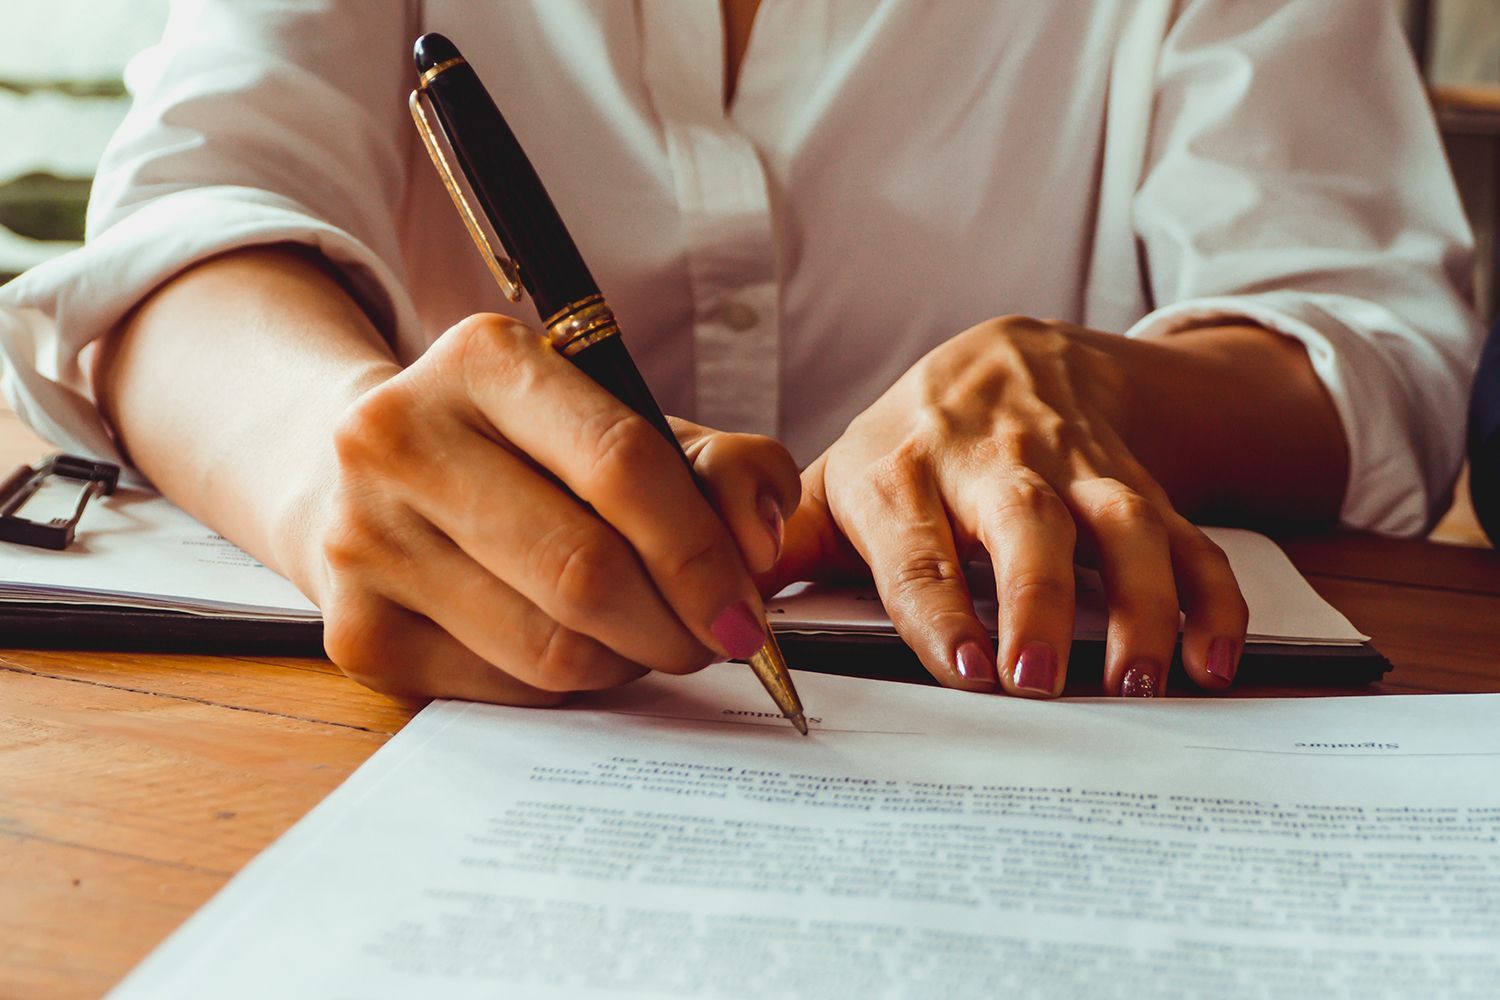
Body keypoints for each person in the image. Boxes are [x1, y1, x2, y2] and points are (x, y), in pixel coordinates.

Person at [0, 1, 1481, 704]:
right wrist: (335, 477)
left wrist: (1089, 382)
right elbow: (188, 230)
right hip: (451, 731)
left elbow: (1361, 340)